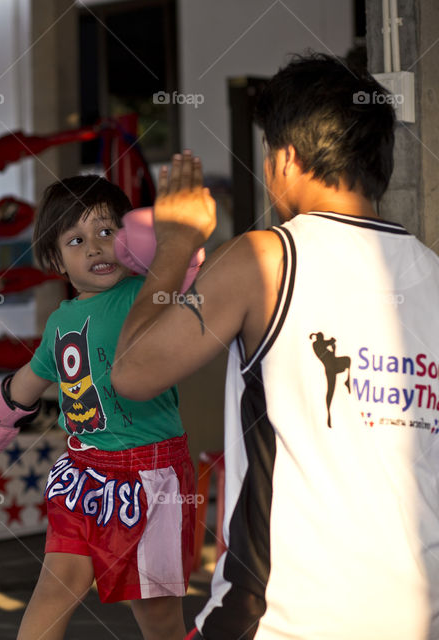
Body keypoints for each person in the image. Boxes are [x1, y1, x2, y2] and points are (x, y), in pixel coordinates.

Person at [110, 53, 439, 639]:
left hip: (285, 622)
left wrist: (175, 246)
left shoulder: (265, 260)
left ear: (286, 159)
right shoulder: (435, 278)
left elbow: (132, 373)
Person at [0, 175, 196, 640]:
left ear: (132, 236)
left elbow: (191, 277)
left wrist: (176, 244)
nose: (95, 248)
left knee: (158, 619)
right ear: (56, 259)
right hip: (83, 472)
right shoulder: (61, 320)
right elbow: (29, 383)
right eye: (77, 240)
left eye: (107, 232)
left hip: (147, 474)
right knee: (54, 589)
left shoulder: (146, 293)